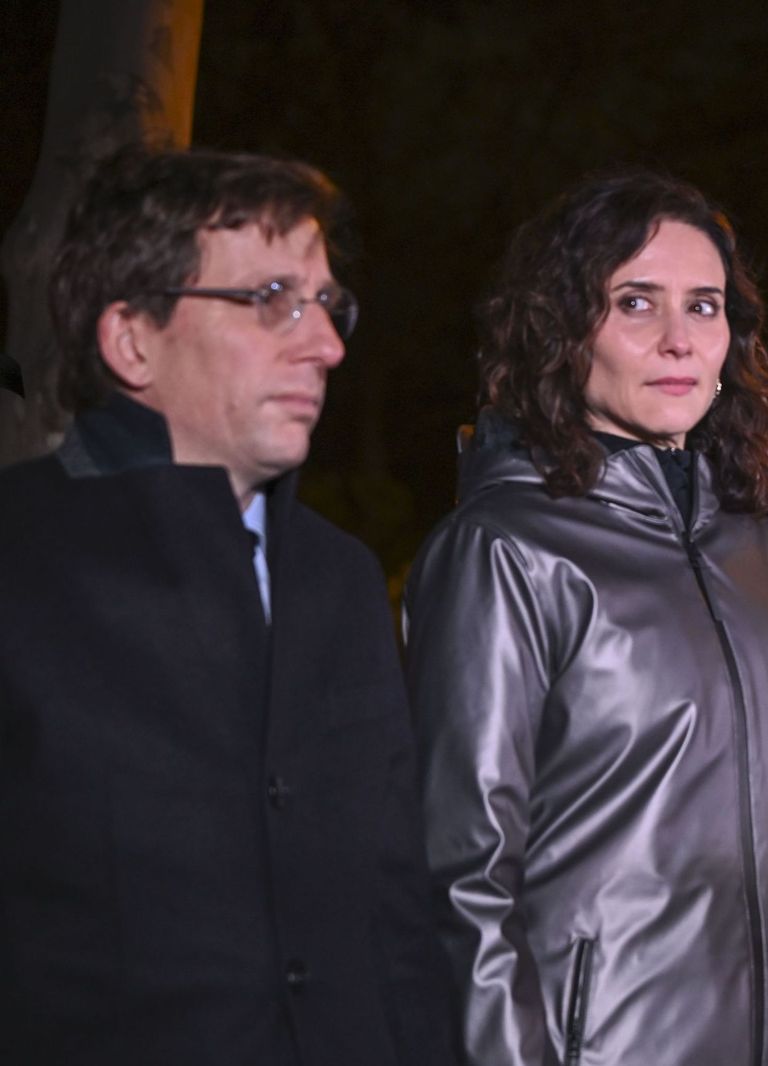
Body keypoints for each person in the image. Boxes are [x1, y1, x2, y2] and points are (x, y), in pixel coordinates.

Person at [404, 170, 768, 1066]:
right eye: (635, 302)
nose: (678, 339)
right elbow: (463, 887)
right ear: (562, 327)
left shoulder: (765, 557)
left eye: (704, 306)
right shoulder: (504, 550)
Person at [0, 147, 455, 1065]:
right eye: (271, 298)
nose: (325, 344)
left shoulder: (341, 580)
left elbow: (395, 909)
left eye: (327, 304)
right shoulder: (18, 554)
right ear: (132, 339)